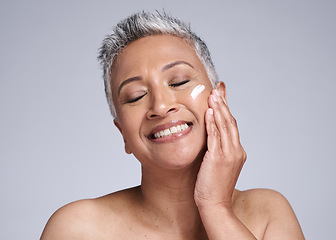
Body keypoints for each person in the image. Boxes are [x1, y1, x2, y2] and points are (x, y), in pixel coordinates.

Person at [40, 11, 305, 239]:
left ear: (219, 98)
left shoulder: (268, 213)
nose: (160, 106)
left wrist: (215, 207)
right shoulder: (77, 229)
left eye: (178, 81)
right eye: (136, 96)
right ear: (123, 134)